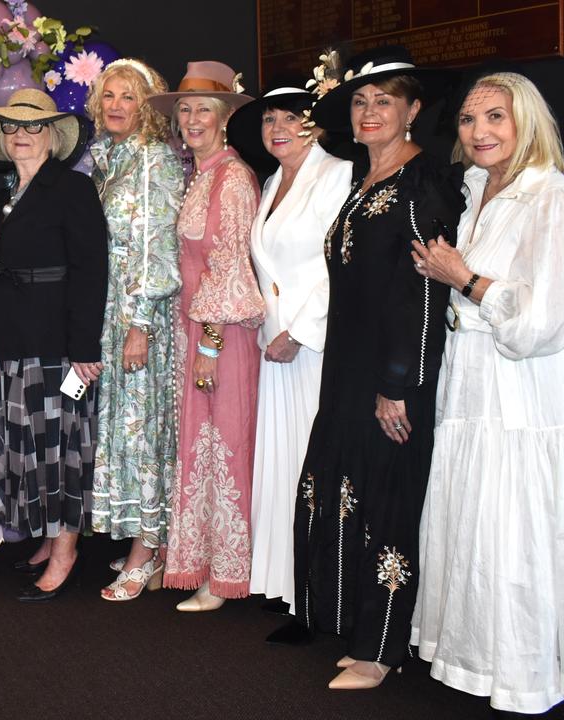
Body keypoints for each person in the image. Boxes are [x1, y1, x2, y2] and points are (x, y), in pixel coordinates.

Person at [409, 71, 564, 714]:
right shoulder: (473, 189)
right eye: (469, 120)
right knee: (478, 522)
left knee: (522, 525)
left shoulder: (551, 197)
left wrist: (463, 279)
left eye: (496, 117)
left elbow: (545, 323)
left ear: (526, 123)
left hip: (529, 396)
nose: (480, 131)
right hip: (474, 388)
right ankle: (480, 655)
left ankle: (526, 667)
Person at [269, 47, 466, 690]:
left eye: (386, 100)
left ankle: (381, 650)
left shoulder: (423, 181)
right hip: (346, 373)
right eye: (360, 101)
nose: (371, 111)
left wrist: (398, 386)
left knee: (387, 503)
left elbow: (426, 293)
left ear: (413, 110)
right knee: (342, 490)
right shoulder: (365, 183)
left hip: (390, 377)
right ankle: (348, 625)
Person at [0, 88, 108, 601]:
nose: (20, 135)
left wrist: (85, 347)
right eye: (11, 128)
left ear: (52, 136)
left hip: (59, 347)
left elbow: (92, 270)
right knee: (30, 447)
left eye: (32, 127)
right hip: (14, 343)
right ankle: (51, 538)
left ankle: (67, 549)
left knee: (63, 447)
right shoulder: (5, 192)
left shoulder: (72, 188)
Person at [225, 77, 352, 615]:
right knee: (281, 463)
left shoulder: (339, 175)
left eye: (290, 117)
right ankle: (286, 580)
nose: (277, 128)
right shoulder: (272, 180)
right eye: (268, 119)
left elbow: (340, 265)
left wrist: (299, 331)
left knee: (312, 462)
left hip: (312, 345)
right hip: (272, 344)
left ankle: (320, 588)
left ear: (316, 123)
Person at [148, 61, 263, 612]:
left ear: (224, 118)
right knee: (203, 446)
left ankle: (223, 577)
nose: (192, 119)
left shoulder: (232, 178)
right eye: (185, 109)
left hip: (223, 336)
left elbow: (227, 266)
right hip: (197, 331)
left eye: (203, 110)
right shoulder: (203, 173)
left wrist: (211, 347)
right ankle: (203, 567)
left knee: (224, 445)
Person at [85, 60, 184, 601]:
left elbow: (159, 244)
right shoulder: (110, 157)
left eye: (127, 96)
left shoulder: (154, 159)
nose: (116, 105)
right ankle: (149, 537)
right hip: (110, 309)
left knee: (143, 426)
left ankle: (147, 550)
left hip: (139, 313)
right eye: (108, 96)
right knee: (123, 426)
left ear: (147, 104)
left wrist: (140, 324)